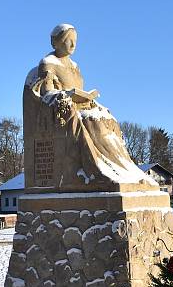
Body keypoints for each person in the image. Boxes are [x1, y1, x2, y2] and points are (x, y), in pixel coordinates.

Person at [23, 24, 152, 190]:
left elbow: (81, 91)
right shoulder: (48, 63)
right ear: (57, 43)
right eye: (68, 41)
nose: (73, 45)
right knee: (92, 122)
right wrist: (65, 95)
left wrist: (89, 99)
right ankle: (96, 170)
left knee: (105, 118)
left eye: (75, 41)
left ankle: (124, 170)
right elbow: (46, 93)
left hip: (80, 105)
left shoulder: (74, 66)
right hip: (64, 107)